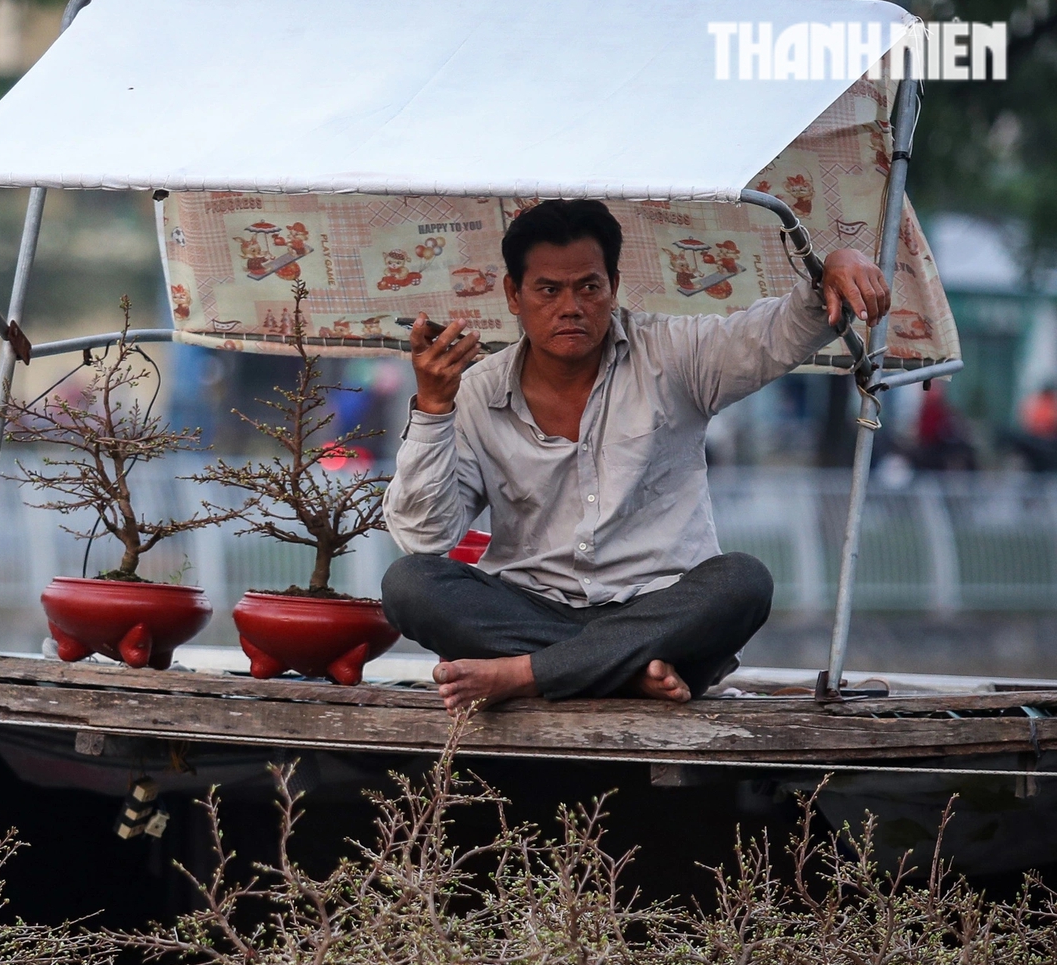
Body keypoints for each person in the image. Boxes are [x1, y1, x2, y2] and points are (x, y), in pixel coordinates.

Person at [381, 199, 889, 711]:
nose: (571, 307)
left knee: (743, 581)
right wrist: (432, 409)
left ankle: (527, 674)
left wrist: (838, 264)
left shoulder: (672, 355)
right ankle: (619, 672)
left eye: (588, 287)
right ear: (515, 294)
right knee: (409, 585)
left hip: (656, 609)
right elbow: (425, 537)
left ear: (614, 285)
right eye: (548, 290)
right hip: (541, 614)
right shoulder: (473, 393)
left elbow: (776, 331)